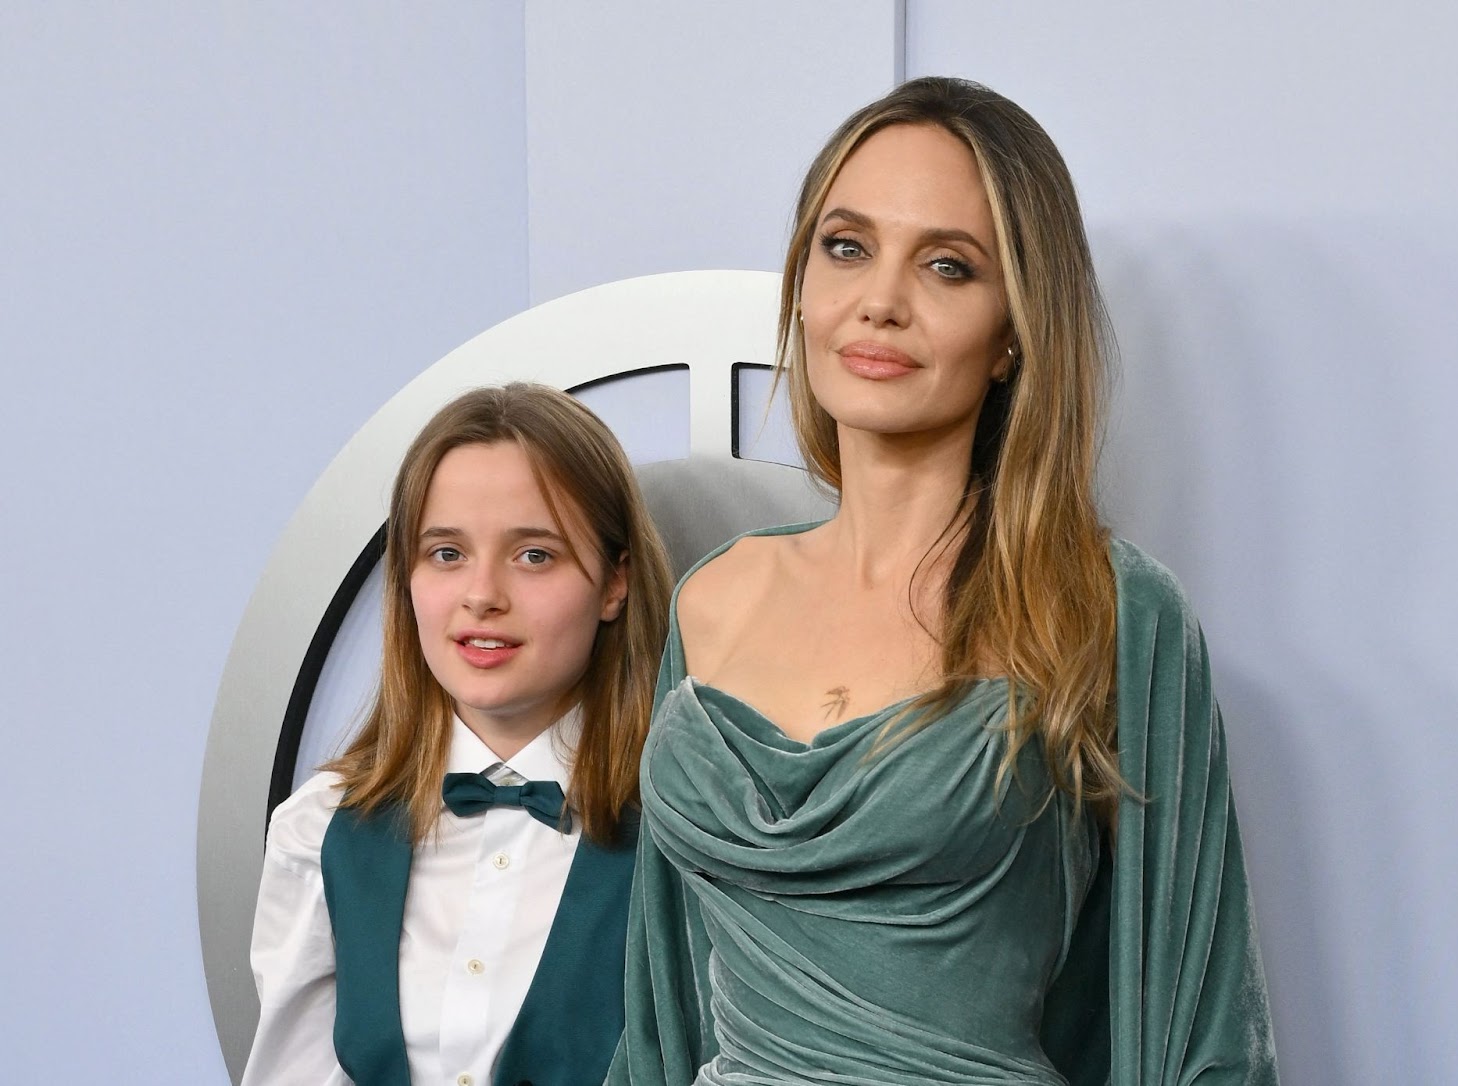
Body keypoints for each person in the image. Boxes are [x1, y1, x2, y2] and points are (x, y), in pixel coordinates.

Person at [608, 77, 1278, 1085]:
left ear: (1013, 333)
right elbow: (659, 1017)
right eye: (846, 247)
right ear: (801, 282)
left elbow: (1198, 1026)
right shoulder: (711, 597)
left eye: (947, 267)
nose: (879, 299)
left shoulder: (1105, 610)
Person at [243, 382, 672, 1086]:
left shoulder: (690, 834)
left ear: (613, 583)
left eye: (534, 555)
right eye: (446, 554)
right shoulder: (319, 828)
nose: (482, 595)